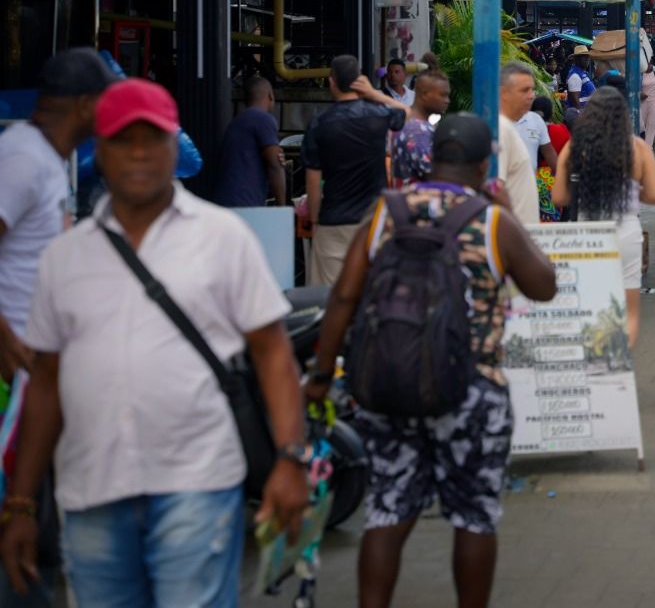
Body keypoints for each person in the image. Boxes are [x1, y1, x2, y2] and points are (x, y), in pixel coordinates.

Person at [1, 79, 309, 606]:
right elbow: (46, 385)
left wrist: (290, 460)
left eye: (154, 138)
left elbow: (272, 354)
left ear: (176, 147)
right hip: (92, 490)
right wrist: (23, 503)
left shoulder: (223, 237)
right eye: (124, 140)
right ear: (101, 150)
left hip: (198, 483)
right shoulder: (64, 256)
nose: (140, 153)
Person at [304, 113, 558, 608]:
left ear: (430, 155)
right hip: (472, 390)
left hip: (391, 383)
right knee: (473, 516)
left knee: (388, 510)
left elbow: (343, 300)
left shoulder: (387, 212)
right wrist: (504, 211)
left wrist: (319, 377)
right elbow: (544, 286)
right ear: (485, 161)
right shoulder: (490, 219)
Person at [0, 49, 111, 606]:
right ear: (86, 105)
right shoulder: (21, 157)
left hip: (39, 367)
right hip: (14, 371)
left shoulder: (47, 157)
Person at [553, 87, 655, 349]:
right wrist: (632, 193)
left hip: (586, 231)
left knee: (590, 304)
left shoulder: (574, 147)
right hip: (625, 230)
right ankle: (618, 370)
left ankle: (593, 363)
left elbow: (559, 198)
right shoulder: (636, 147)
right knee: (629, 312)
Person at [303, 54, 409, 285]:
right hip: (373, 220)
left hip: (334, 221)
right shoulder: (378, 115)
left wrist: (314, 221)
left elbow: (313, 179)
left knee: (328, 295)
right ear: (359, 81)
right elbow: (410, 115)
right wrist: (375, 95)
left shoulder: (319, 124)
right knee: (372, 290)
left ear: (331, 81)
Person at [214, 76, 287, 208]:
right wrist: (282, 206)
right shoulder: (263, 119)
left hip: (227, 200)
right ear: (270, 96)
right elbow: (274, 164)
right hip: (245, 203)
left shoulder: (237, 121)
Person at [495, 63, 542, 231]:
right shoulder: (501, 128)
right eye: (525, 90)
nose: (531, 96)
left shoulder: (507, 126)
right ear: (503, 93)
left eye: (532, 90)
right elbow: (495, 188)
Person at [390, 70, 451, 186]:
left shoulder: (408, 122)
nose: (447, 100)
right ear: (424, 94)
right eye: (443, 95)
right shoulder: (417, 131)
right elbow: (435, 175)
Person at [563, 45, 596, 114]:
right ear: (576, 59)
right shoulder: (575, 76)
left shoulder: (581, 73)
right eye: (583, 56)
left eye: (588, 56)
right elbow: (575, 102)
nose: (587, 59)